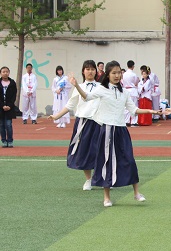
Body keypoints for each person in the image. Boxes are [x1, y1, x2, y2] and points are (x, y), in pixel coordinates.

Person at [68, 60, 162, 207]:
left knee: (129, 160)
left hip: (121, 130)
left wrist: (151, 111)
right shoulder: (101, 89)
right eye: (114, 73)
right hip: (106, 130)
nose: (117, 75)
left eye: (119, 73)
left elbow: (134, 110)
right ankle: (106, 198)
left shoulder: (124, 92)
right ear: (108, 74)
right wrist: (76, 85)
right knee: (106, 162)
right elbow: (87, 97)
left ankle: (136, 193)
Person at [48, 60, 101, 190]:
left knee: (101, 151)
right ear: (83, 71)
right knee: (84, 151)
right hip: (83, 123)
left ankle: (102, 178)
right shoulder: (79, 86)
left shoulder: (102, 86)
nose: (90, 71)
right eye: (87, 69)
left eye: (92, 69)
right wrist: (56, 116)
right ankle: (88, 180)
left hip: (99, 122)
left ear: (96, 71)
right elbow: (70, 105)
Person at [0, 66, 17, 148]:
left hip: (9, 108)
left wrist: (9, 105)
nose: (5, 73)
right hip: (1, 108)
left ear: (9, 73)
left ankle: (10, 141)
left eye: (7, 71)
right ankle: (3, 140)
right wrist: (2, 106)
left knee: (8, 124)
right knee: (1, 125)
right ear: (1, 73)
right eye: (3, 72)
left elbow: (14, 96)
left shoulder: (12, 83)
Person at [122, 60, 139, 126]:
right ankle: (134, 122)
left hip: (126, 90)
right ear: (133, 66)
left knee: (126, 107)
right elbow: (136, 82)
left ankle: (126, 121)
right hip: (133, 90)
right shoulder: (134, 74)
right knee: (134, 106)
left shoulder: (124, 74)